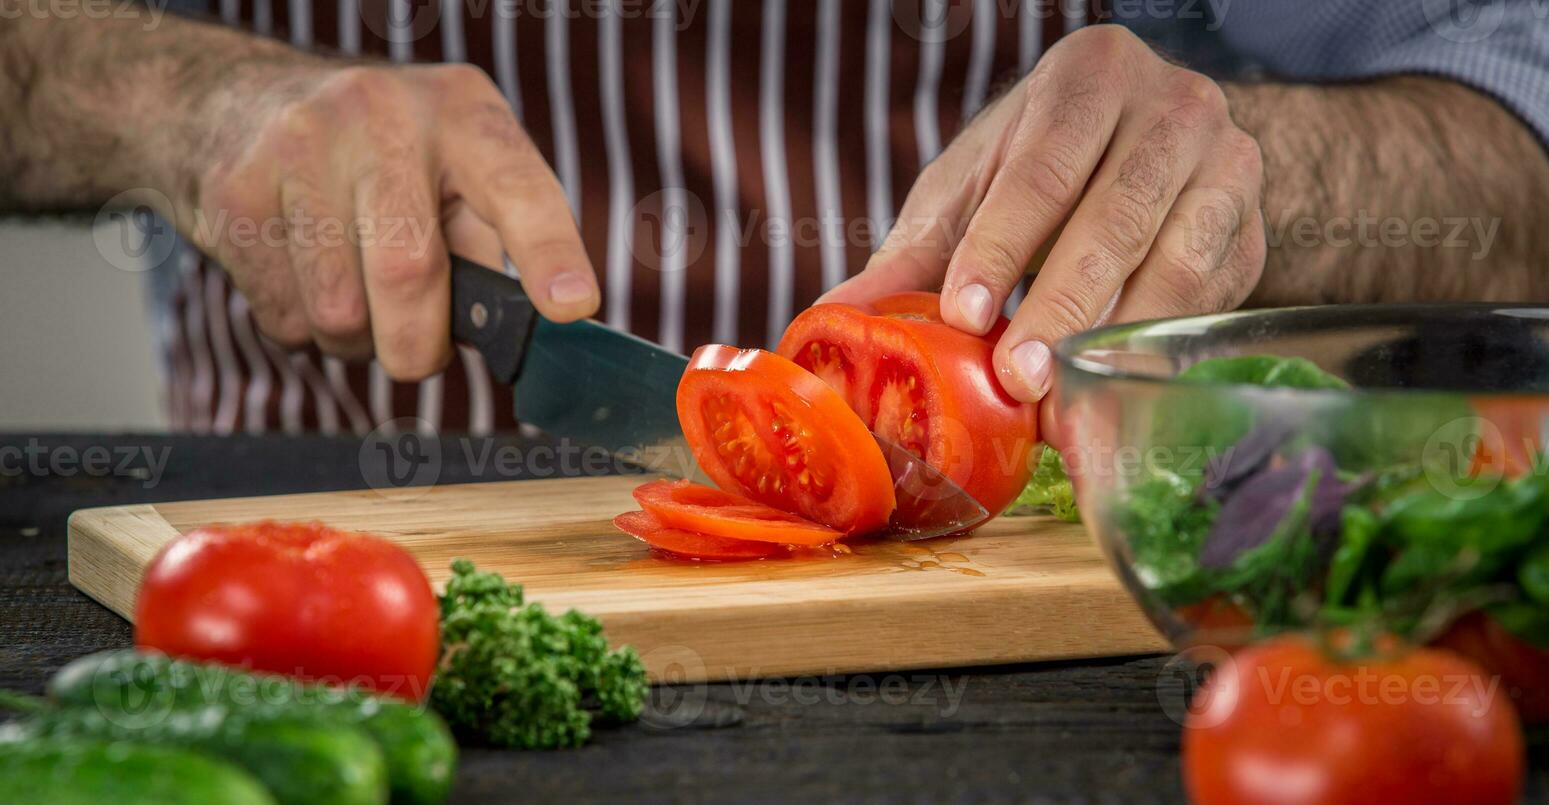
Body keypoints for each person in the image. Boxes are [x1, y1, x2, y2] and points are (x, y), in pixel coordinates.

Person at [2, 1, 1546, 435]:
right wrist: (173, 105)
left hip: (1053, 644)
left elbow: (1517, 155)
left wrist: (1250, 176)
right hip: (311, 583)